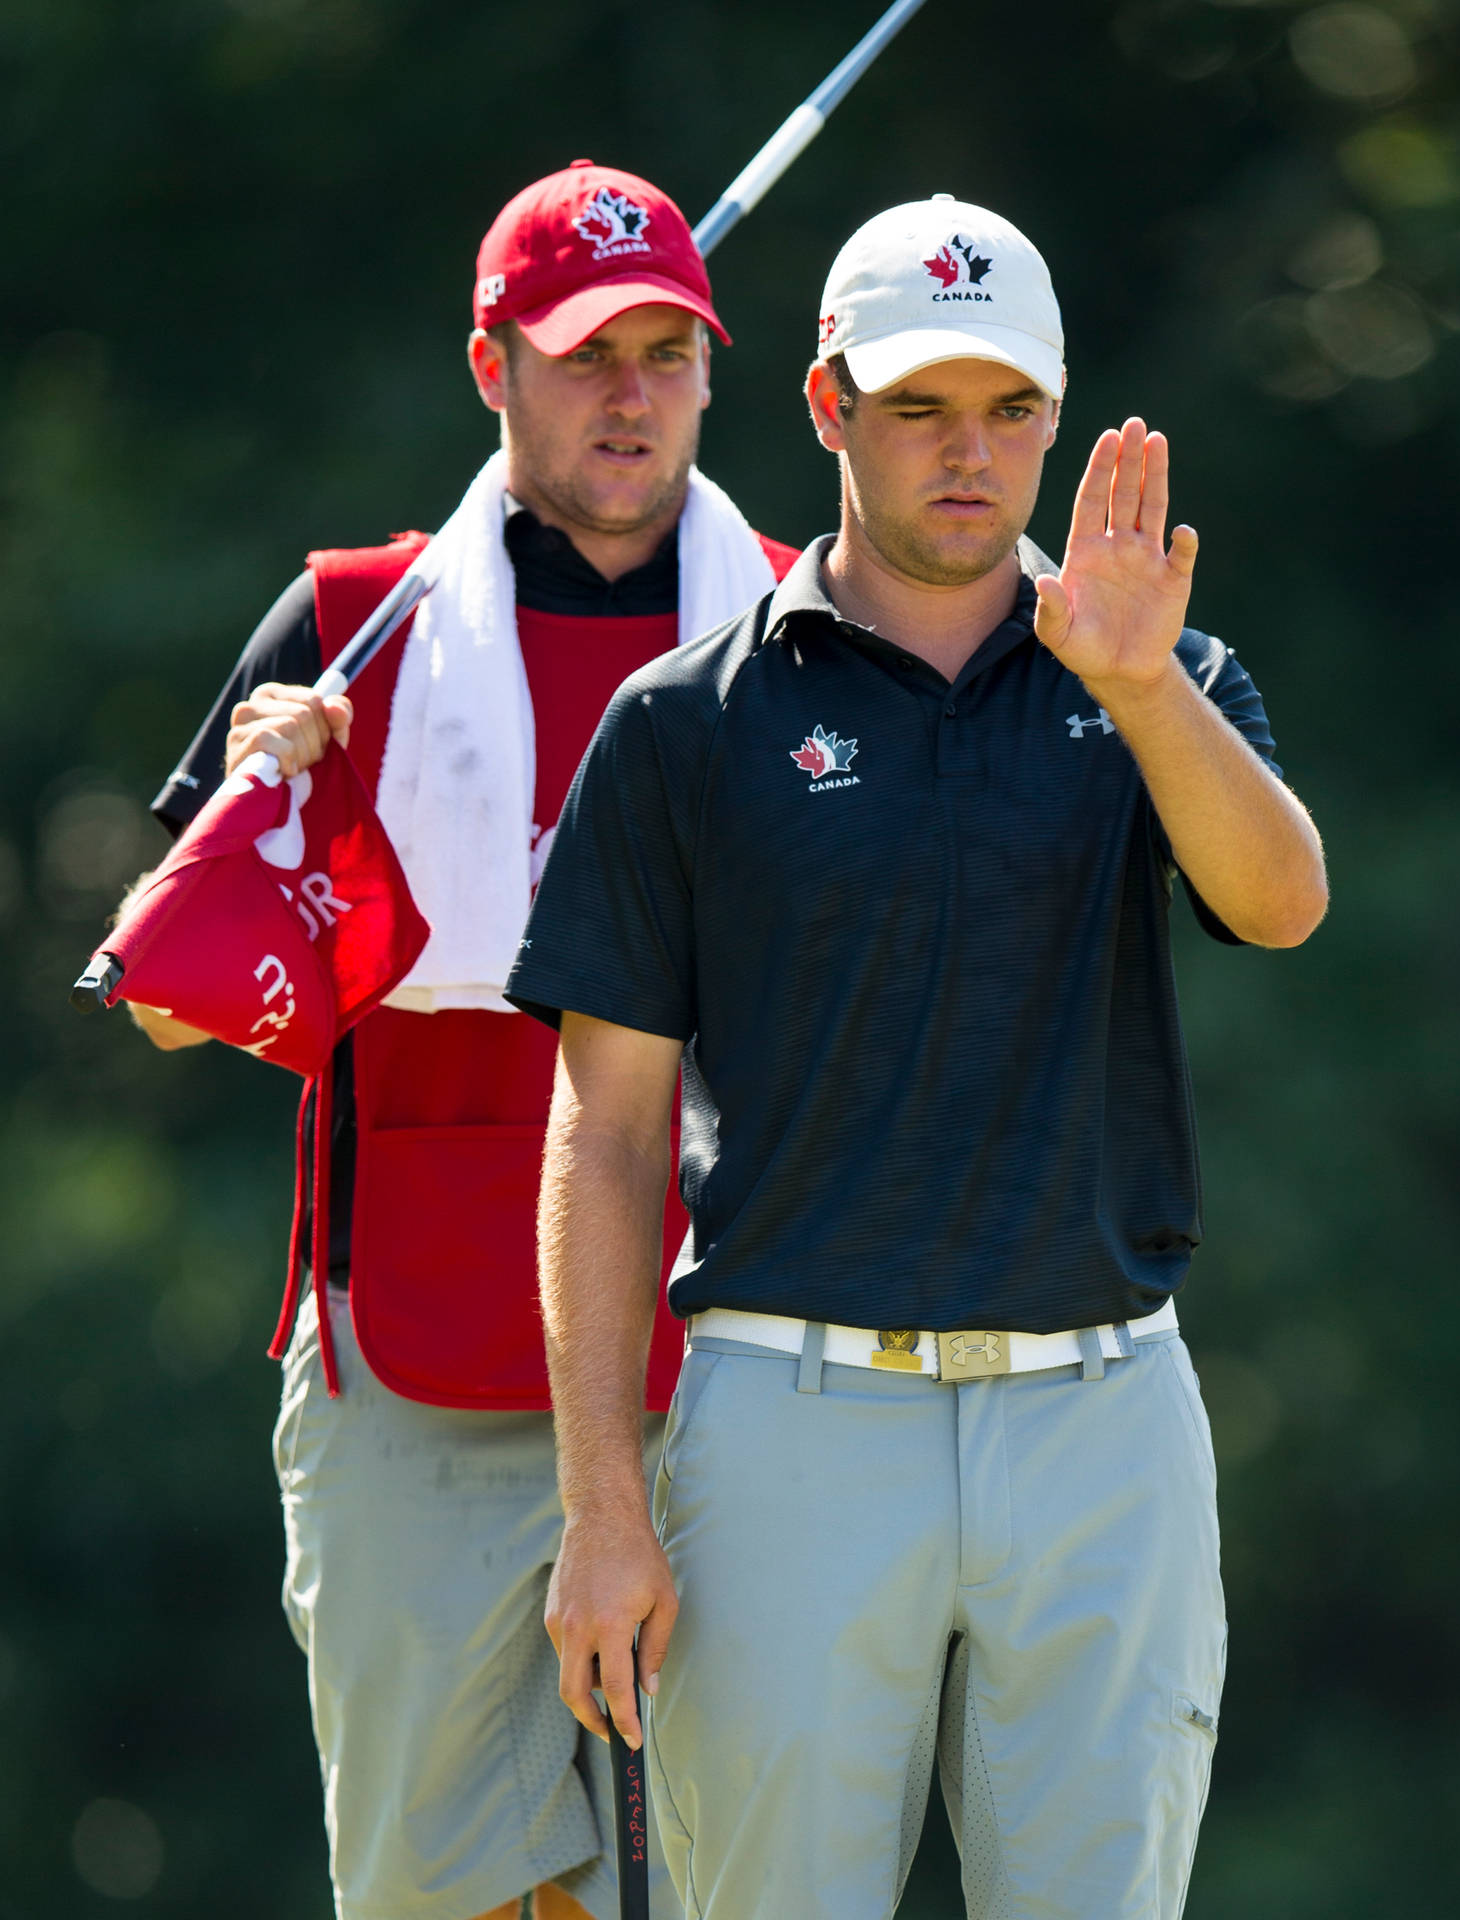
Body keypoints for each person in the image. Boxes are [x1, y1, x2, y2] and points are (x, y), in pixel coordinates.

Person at [503, 195, 1329, 1919]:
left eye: (1009, 410)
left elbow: (1276, 907)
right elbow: (606, 1132)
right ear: (826, 407)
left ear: (1055, 416)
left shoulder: (1163, 677)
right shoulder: (683, 723)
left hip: (1102, 1418)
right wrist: (599, 1508)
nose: (971, 452)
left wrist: (1144, 683)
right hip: (790, 1418)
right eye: (918, 408)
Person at [131, 160, 797, 1920]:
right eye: (585, 355)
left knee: (750, 1883)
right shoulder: (357, 627)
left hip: (730, 1350)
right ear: (490, 366)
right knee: (446, 1896)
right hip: (410, 1351)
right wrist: (282, 815)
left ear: (715, 376)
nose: (630, 396)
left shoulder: (812, 626)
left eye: (667, 351)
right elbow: (167, 1004)